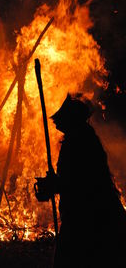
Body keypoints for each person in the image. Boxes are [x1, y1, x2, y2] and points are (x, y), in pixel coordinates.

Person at [35, 94, 126, 267]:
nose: (55, 122)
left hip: (92, 219)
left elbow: (82, 183)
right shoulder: (77, 138)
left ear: (71, 120)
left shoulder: (80, 142)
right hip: (85, 217)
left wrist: (55, 185)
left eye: (61, 118)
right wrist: (54, 183)